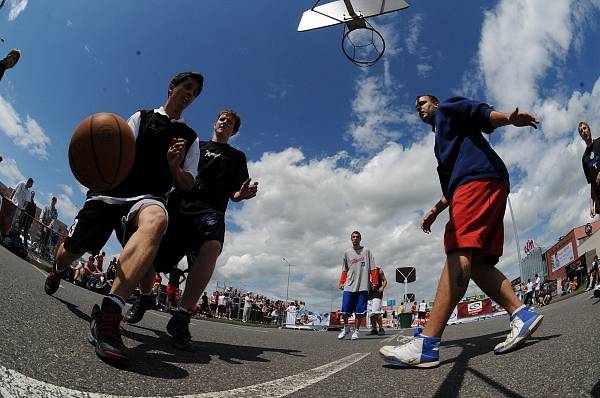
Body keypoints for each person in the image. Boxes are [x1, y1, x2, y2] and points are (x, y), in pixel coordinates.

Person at [43, 71, 203, 366]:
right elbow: (111, 150)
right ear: (172, 87)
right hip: (110, 192)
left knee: (156, 220)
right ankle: (57, 269)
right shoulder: (141, 117)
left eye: (195, 92)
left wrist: (173, 167)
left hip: (147, 198)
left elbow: (187, 183)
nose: (190, 93)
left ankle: (109, 313)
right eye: (187, 87)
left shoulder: (190, 139)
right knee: (69, 253)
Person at [380, 95, 542, 368]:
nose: (418, 108)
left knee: (458, 250)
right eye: (416, 106)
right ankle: (521, 313)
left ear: (435, 102)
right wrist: (434, 210)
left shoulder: (447, 109)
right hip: (482, 184)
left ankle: (428, 344)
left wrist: (507, 119)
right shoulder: (441, 143)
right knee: (478, 264)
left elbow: (479, 113)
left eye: (421, 103)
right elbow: (450, 191)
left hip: (478, 180)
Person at [124, 109, 258, 350]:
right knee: (151, 257)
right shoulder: (196, 145)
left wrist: (242, 193)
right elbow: (176, 171)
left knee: (213, 246)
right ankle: (145, 298)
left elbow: (235, 193)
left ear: (233, 131)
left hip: (210, 212)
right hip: (179, 206)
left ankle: (182, 316)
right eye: (221, 119)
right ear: (215, 122)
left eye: (230, 122)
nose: (224, 123)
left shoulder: (237, 157)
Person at [338, 230, 374, 341]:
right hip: (349, 285)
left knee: (359, 311)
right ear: (351, 239)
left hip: (362, 285)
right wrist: (341, 281)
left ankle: (356, 331)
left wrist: (375, 282)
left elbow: (373, 268)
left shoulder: (367, 251)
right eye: (353, 237)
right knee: (344, 309)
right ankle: (346, 327)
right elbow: (345, 269)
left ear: (360, 238)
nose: (355, 238)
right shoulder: (346, 253)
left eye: (357, 237)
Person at [579, 122, 600, 218]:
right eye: (581, 131)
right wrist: (592, 204)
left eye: (585, 128)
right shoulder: (584, 159)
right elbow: (591, 182)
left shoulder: (599, 142)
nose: (583, 131)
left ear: (589, 129)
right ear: (581, 136)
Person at [368, 266, 387, 336]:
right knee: (371, 313)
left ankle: (381, 328)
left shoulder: (379, 270)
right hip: (369, 293)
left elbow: (385, 280)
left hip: (377, 293)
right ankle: (374, 329)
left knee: (376, 311)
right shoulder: (365, 271)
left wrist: (382, 287)